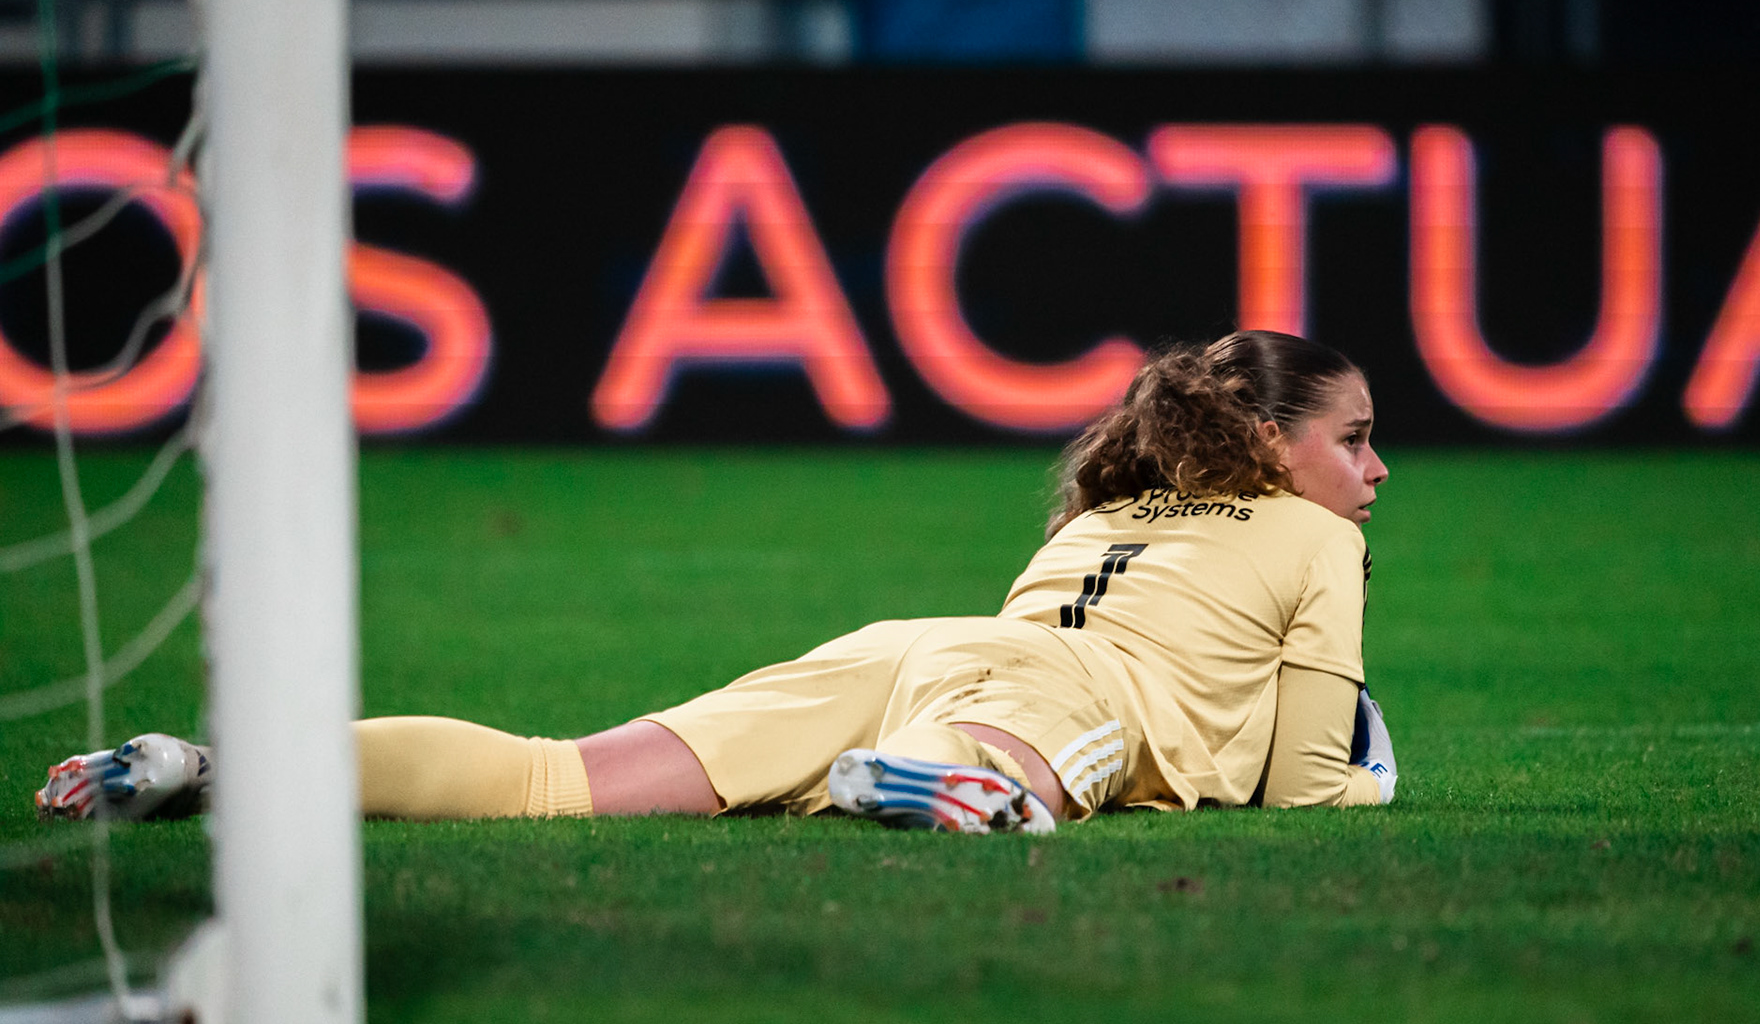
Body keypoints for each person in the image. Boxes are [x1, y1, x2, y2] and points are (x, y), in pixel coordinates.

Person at [35, 330, 1398, 835]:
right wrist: (1368, 774)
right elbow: (1301, 782)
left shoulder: (1107, 506)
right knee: (1014, 778)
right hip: (1065, 691)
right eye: (1354, 439)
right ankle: (953, 783)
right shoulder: (1317, 536)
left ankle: (224, 767)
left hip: (901, 649)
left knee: (555, 774)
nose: (1375, 470)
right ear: (1274, 447)